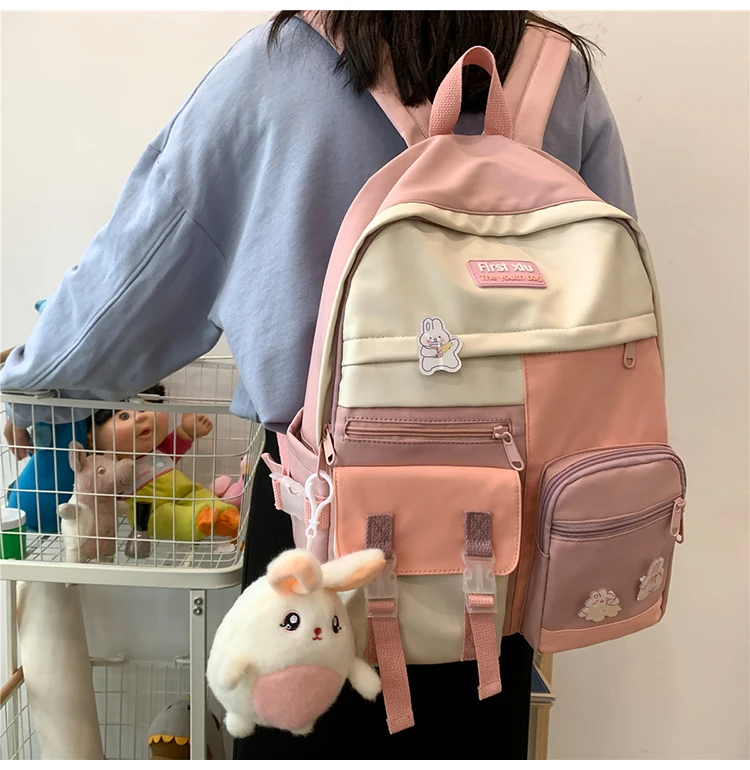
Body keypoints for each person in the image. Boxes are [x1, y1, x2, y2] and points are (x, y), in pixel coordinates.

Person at [0, 11, 636, 759]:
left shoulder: (277, 71)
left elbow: (133, 276)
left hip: (315, 533)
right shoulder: (562, 80)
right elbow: (611, 314)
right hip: (505, 540)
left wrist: (35, 388)